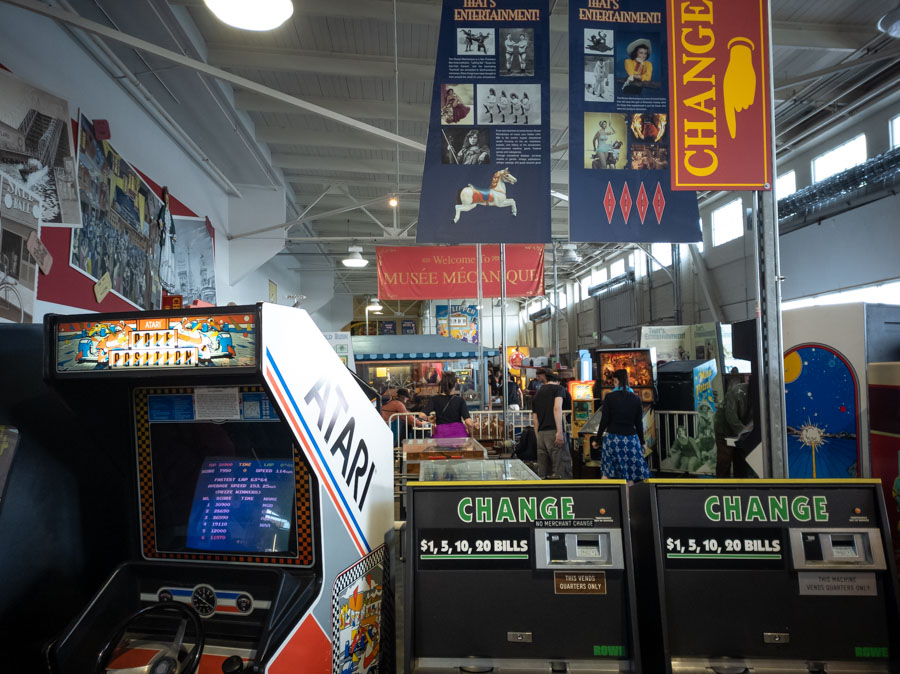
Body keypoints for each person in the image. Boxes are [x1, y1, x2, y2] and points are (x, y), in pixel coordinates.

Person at [597, 369, 650, 482]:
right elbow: (638, 423)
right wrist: (642, 442)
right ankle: (628, 499)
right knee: (629, 475)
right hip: (630, 439)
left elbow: (604, 420)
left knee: (607, 472)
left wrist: (597, 440)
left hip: (612, 438)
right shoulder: (636, 398)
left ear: (615, 381)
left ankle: (605, 498)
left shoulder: (609, 397)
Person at [532, 371, 571, 479]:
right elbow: (557, 408)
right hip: (553, 432)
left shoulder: (537, 394)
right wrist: (559, 432)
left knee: (543, 472)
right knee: (561, 469)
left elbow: (535, 418)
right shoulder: (559, 389)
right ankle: (563, 494)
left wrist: (537, 435)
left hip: (541, 435)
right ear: (558, 382)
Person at [715, 381, 752, 477]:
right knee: (724, 462)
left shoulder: (760, 395)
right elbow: (731, 416)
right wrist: (745, 432)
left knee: (741, 462)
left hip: (741, 430)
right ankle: (722, 489)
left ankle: (740, 488)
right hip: (724, 430)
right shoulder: (736, 392)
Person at [426, 371, 473, 438]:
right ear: (455, 384)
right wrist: (471, 436)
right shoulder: (460, 400)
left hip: (441, 436)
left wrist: (428, 418)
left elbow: (422, 414)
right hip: (459, 437)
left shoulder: (435, 399)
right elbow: (469, 423)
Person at [156, 186, 177, 293]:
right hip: (165, 235)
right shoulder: (164, 209)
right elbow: (160, 219)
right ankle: (164, 276)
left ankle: (170, 280)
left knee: (170, 257)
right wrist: (161, 225)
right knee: (165, 255)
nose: (167, 200)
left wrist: (174, 235)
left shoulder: (170, 213)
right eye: (166, 198)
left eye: (168, 198)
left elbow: (172, 226)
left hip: (169, 237)